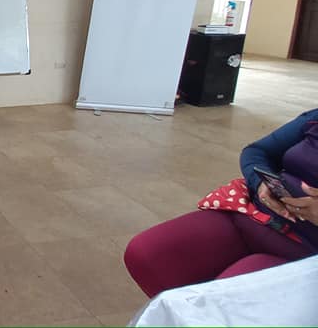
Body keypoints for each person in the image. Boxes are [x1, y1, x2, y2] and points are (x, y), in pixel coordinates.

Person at [124, 108, 318, 297]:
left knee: (222, 301)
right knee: (146, 253)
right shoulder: (314, 118)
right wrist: (261, 183)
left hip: (302, 248)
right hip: (253, 214)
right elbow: (256, 151)